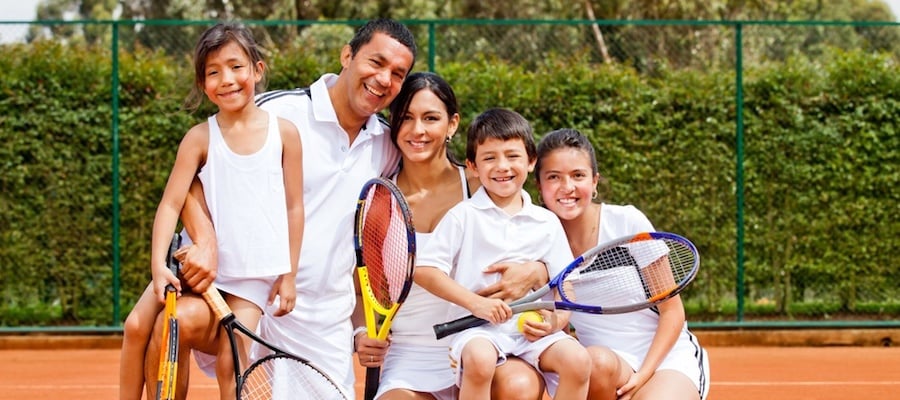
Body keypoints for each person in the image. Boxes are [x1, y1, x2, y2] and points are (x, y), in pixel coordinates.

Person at [141, 18, 416, 398]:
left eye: (397, 74)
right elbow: (195, 173)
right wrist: (205, 239)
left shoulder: (388, 146)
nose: (384, 79)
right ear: (347, 55)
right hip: (246, 292)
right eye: (376, 62)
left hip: (321, 323)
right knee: (169, 327)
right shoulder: (279, 112)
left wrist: (357, 328)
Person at [120, 22, 304, 400]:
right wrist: (158, 266)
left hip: (254, 276)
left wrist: (289, 275)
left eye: (236, 67)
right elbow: (171, 203)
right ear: (203, 84)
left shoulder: (284, 133)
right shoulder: (198, 138)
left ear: (258, 69)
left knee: (230, 362)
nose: (227, 80)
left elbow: (294, 206)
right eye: (213, 72)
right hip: (201, 271)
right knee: (137, 324)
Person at [353, 72, 549, 400]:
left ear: (452, 124)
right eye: (406, 118)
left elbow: (538, 238)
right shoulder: (379, 200)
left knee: (520, 387)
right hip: (409, 354)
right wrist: (361, 332)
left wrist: (537, 270)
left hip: (484, 342)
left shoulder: (480, 186)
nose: (418, 130)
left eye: (431, 118)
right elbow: (364, 291)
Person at [413, 108, 591, 399]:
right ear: (472, 165)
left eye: (512, 156)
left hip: (531, 330)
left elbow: (565, 284)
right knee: (480, 361)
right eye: (489, 158)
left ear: (531, 161)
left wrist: (555, 323)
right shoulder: (463, 216)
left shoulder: (546, 222)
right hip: (477, 331)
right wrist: (476, 304)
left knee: (579, 361)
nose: (502, 166)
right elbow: (425, 270)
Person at [534, 128, 710, 400]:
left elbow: (672, 312)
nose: (567, 187)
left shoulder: (627, 223)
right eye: (554, 177)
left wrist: (643, 376)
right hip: (602, 367)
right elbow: (562, 326)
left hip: (665, 360)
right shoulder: (537, 241)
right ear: (539, 186)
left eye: (578, 175)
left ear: (594, 182)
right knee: (595, 361)